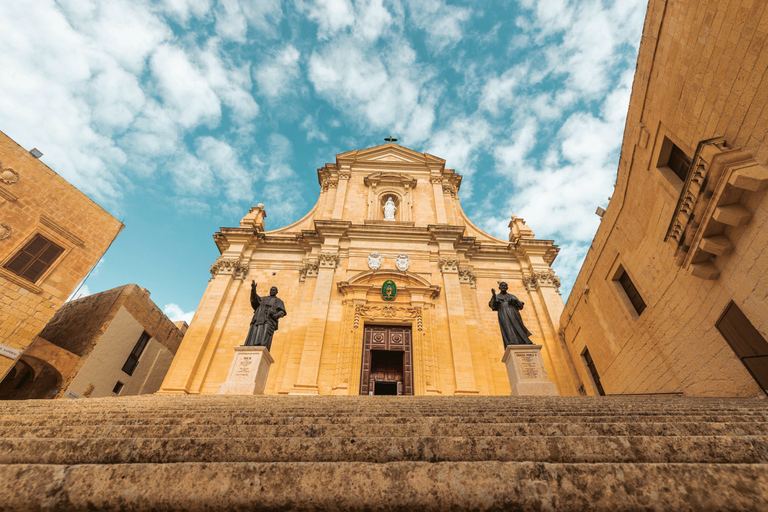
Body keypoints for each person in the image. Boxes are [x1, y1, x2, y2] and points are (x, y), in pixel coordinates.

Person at [244, 281, 286, 351]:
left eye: (274, 290)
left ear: (276, 292)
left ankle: (261, 346)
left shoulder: (279, 301)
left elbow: (282, 311)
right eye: (271, 290)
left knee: (265, 335)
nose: (272, 291)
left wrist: (276, 315)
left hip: (269, 320)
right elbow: (255, 299)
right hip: (258, 318)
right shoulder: (263, 298)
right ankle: (251, 345)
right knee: (255, 333)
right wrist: (253, 289)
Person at [489, 281, 532, 347]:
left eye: (505, 286)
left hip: (513, 312)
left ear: (507, 287)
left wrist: (515, 300)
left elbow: (521, 306)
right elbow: (492, 305)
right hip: (503, 313)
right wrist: (494, 296)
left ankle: (525, 341)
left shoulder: (512, 296)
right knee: (507, 327)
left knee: (518, 326)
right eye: (502, 286)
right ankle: (512, 341)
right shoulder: (497, 296)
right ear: (499, 287)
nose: (503, 287)